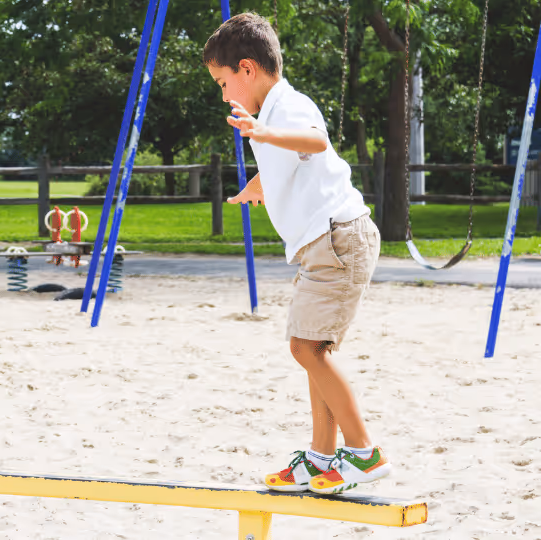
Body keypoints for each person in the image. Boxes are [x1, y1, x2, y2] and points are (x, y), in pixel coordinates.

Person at [202, 13, 389, 494]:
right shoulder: (270, 116)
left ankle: (364, 453)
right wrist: (256, 185)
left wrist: (262, 135)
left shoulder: (286, 107)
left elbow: (316, 141)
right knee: (312, 348)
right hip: (323, 245)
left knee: (305, 349)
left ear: (247, 68)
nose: (223, 95)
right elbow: (293, 160)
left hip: (339, 240)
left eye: (224, 83)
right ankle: (321, 457)